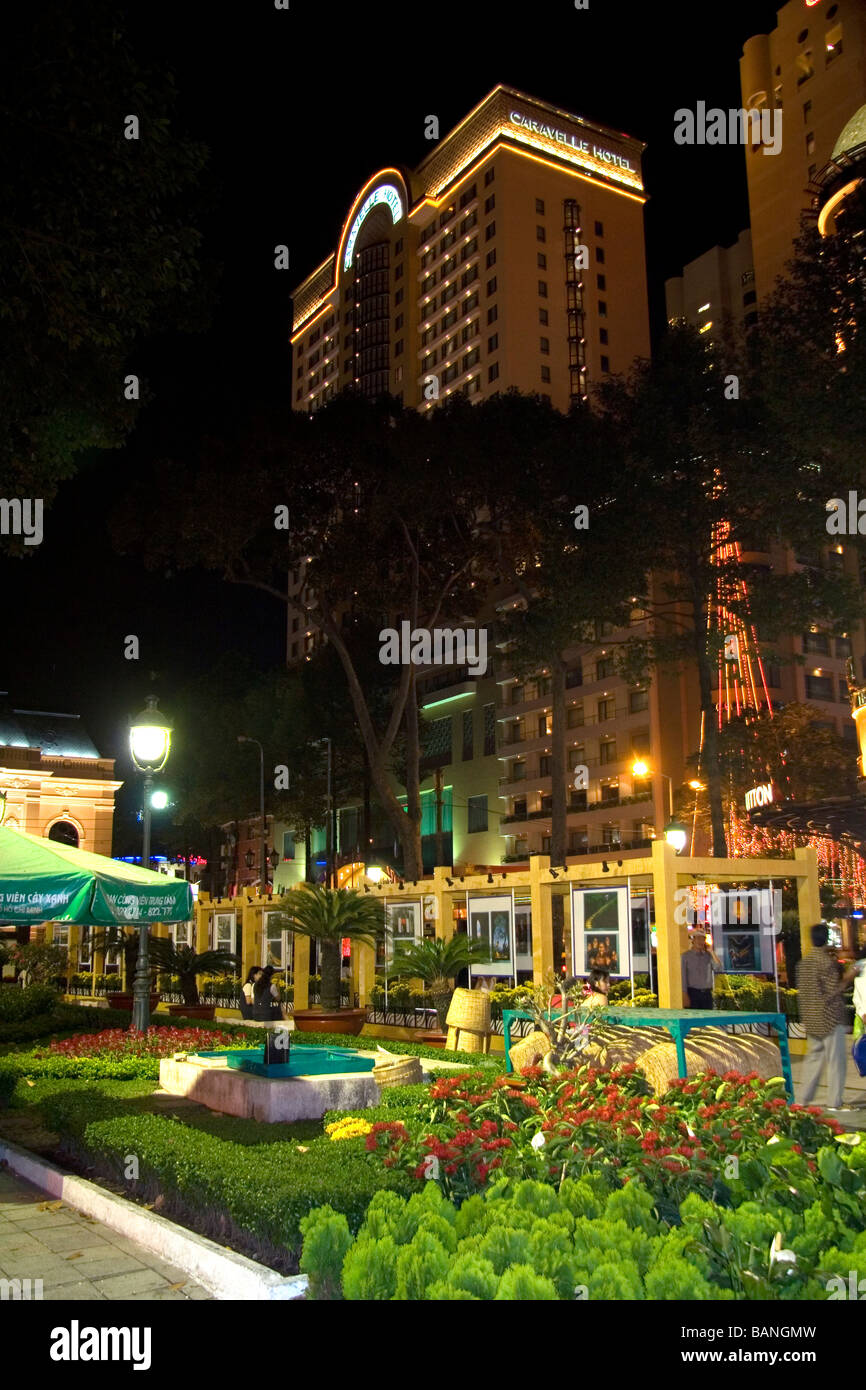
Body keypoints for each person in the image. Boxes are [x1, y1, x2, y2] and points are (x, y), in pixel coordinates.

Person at [796, 922, 858, 1112]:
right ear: (826, 939)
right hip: (830, 1018)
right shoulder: (826, 962)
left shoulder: (803, 963)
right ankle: (834, 1102)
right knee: (836, 1062)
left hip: (812, 1018)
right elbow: (833, 990)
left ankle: (802, 1099)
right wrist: (848, 977)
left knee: (813, 1060)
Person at [681, 932, 722, 1009]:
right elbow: (683, 976)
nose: (700, 941)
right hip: (692, 993)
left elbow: (718, 967)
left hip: (707, 993)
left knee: (707, 1018)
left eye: (703, 939)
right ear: (693, 940)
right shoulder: (685, 956)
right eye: (698, 938)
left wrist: (712, 952)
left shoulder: (708, 956)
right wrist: (684, 994)